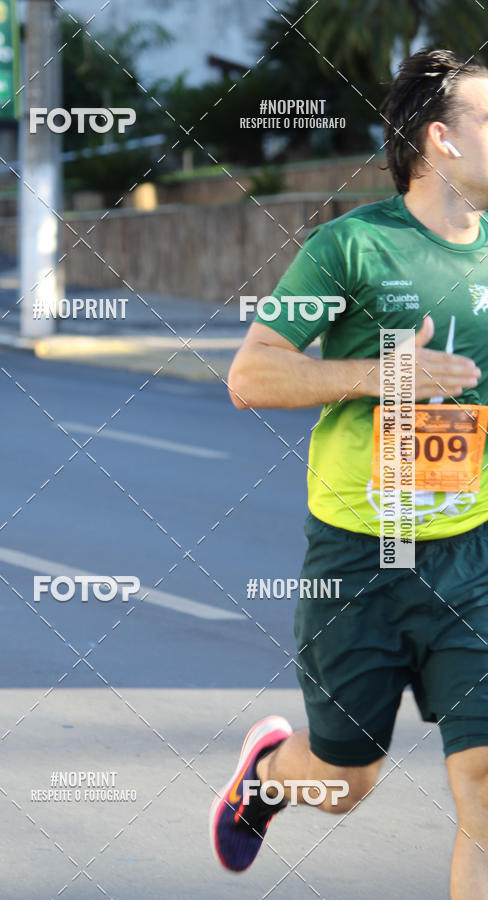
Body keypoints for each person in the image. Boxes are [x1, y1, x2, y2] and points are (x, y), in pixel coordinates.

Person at [210, 49, 488, 899]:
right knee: (344, 784)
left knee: (483, 786)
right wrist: (383, 376)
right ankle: (267, 777)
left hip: (469, 560)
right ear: (441, 139)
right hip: (358, 563)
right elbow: (250, 376)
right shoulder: (348, 247)